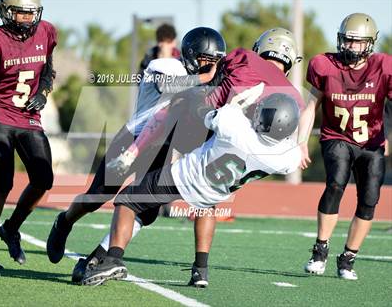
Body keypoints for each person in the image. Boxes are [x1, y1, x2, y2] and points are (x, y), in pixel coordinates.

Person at [74, 28, 305, 287]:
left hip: (196, 161)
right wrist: (303, 143)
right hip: (224, 183)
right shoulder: (287, 145)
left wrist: (203, 90)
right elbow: (290, 146)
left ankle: (111, 255)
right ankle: (200, 271)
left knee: (131, 200)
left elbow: (209, 106)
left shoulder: (241, 77)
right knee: (202, 206)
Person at [46, 27, 225, 280]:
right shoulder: (165, 66)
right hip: (132, 139)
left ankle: (100, 256)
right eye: (206, 61)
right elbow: (167, 86)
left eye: (215, 63)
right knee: (98, 196)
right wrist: (205, 80)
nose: (210, 68)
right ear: (191, 55)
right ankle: (64, 221)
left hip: (162, 146)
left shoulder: (207, 80)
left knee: (146, 210)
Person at [300, 13, 392, 280]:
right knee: (336, 183)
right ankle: (320, 250)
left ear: (369, 44)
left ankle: (348, 257)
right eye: (347, 41)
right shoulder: (324, 65)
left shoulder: (383, 67)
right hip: (336, 137)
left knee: (369, 201)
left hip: (371, 142)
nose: (351, 47)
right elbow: (309, 109)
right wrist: (300, 143)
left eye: (357, 42)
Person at [0, 0, 57, 269]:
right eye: (21, 14)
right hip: (0, 115)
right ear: (7, 12)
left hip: (28, 116)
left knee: (44, 180)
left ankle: (11, 228)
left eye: (31, 14)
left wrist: (43, 93)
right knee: (3, 183)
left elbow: (47, 71)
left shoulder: (45, 31)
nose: (27, 20)